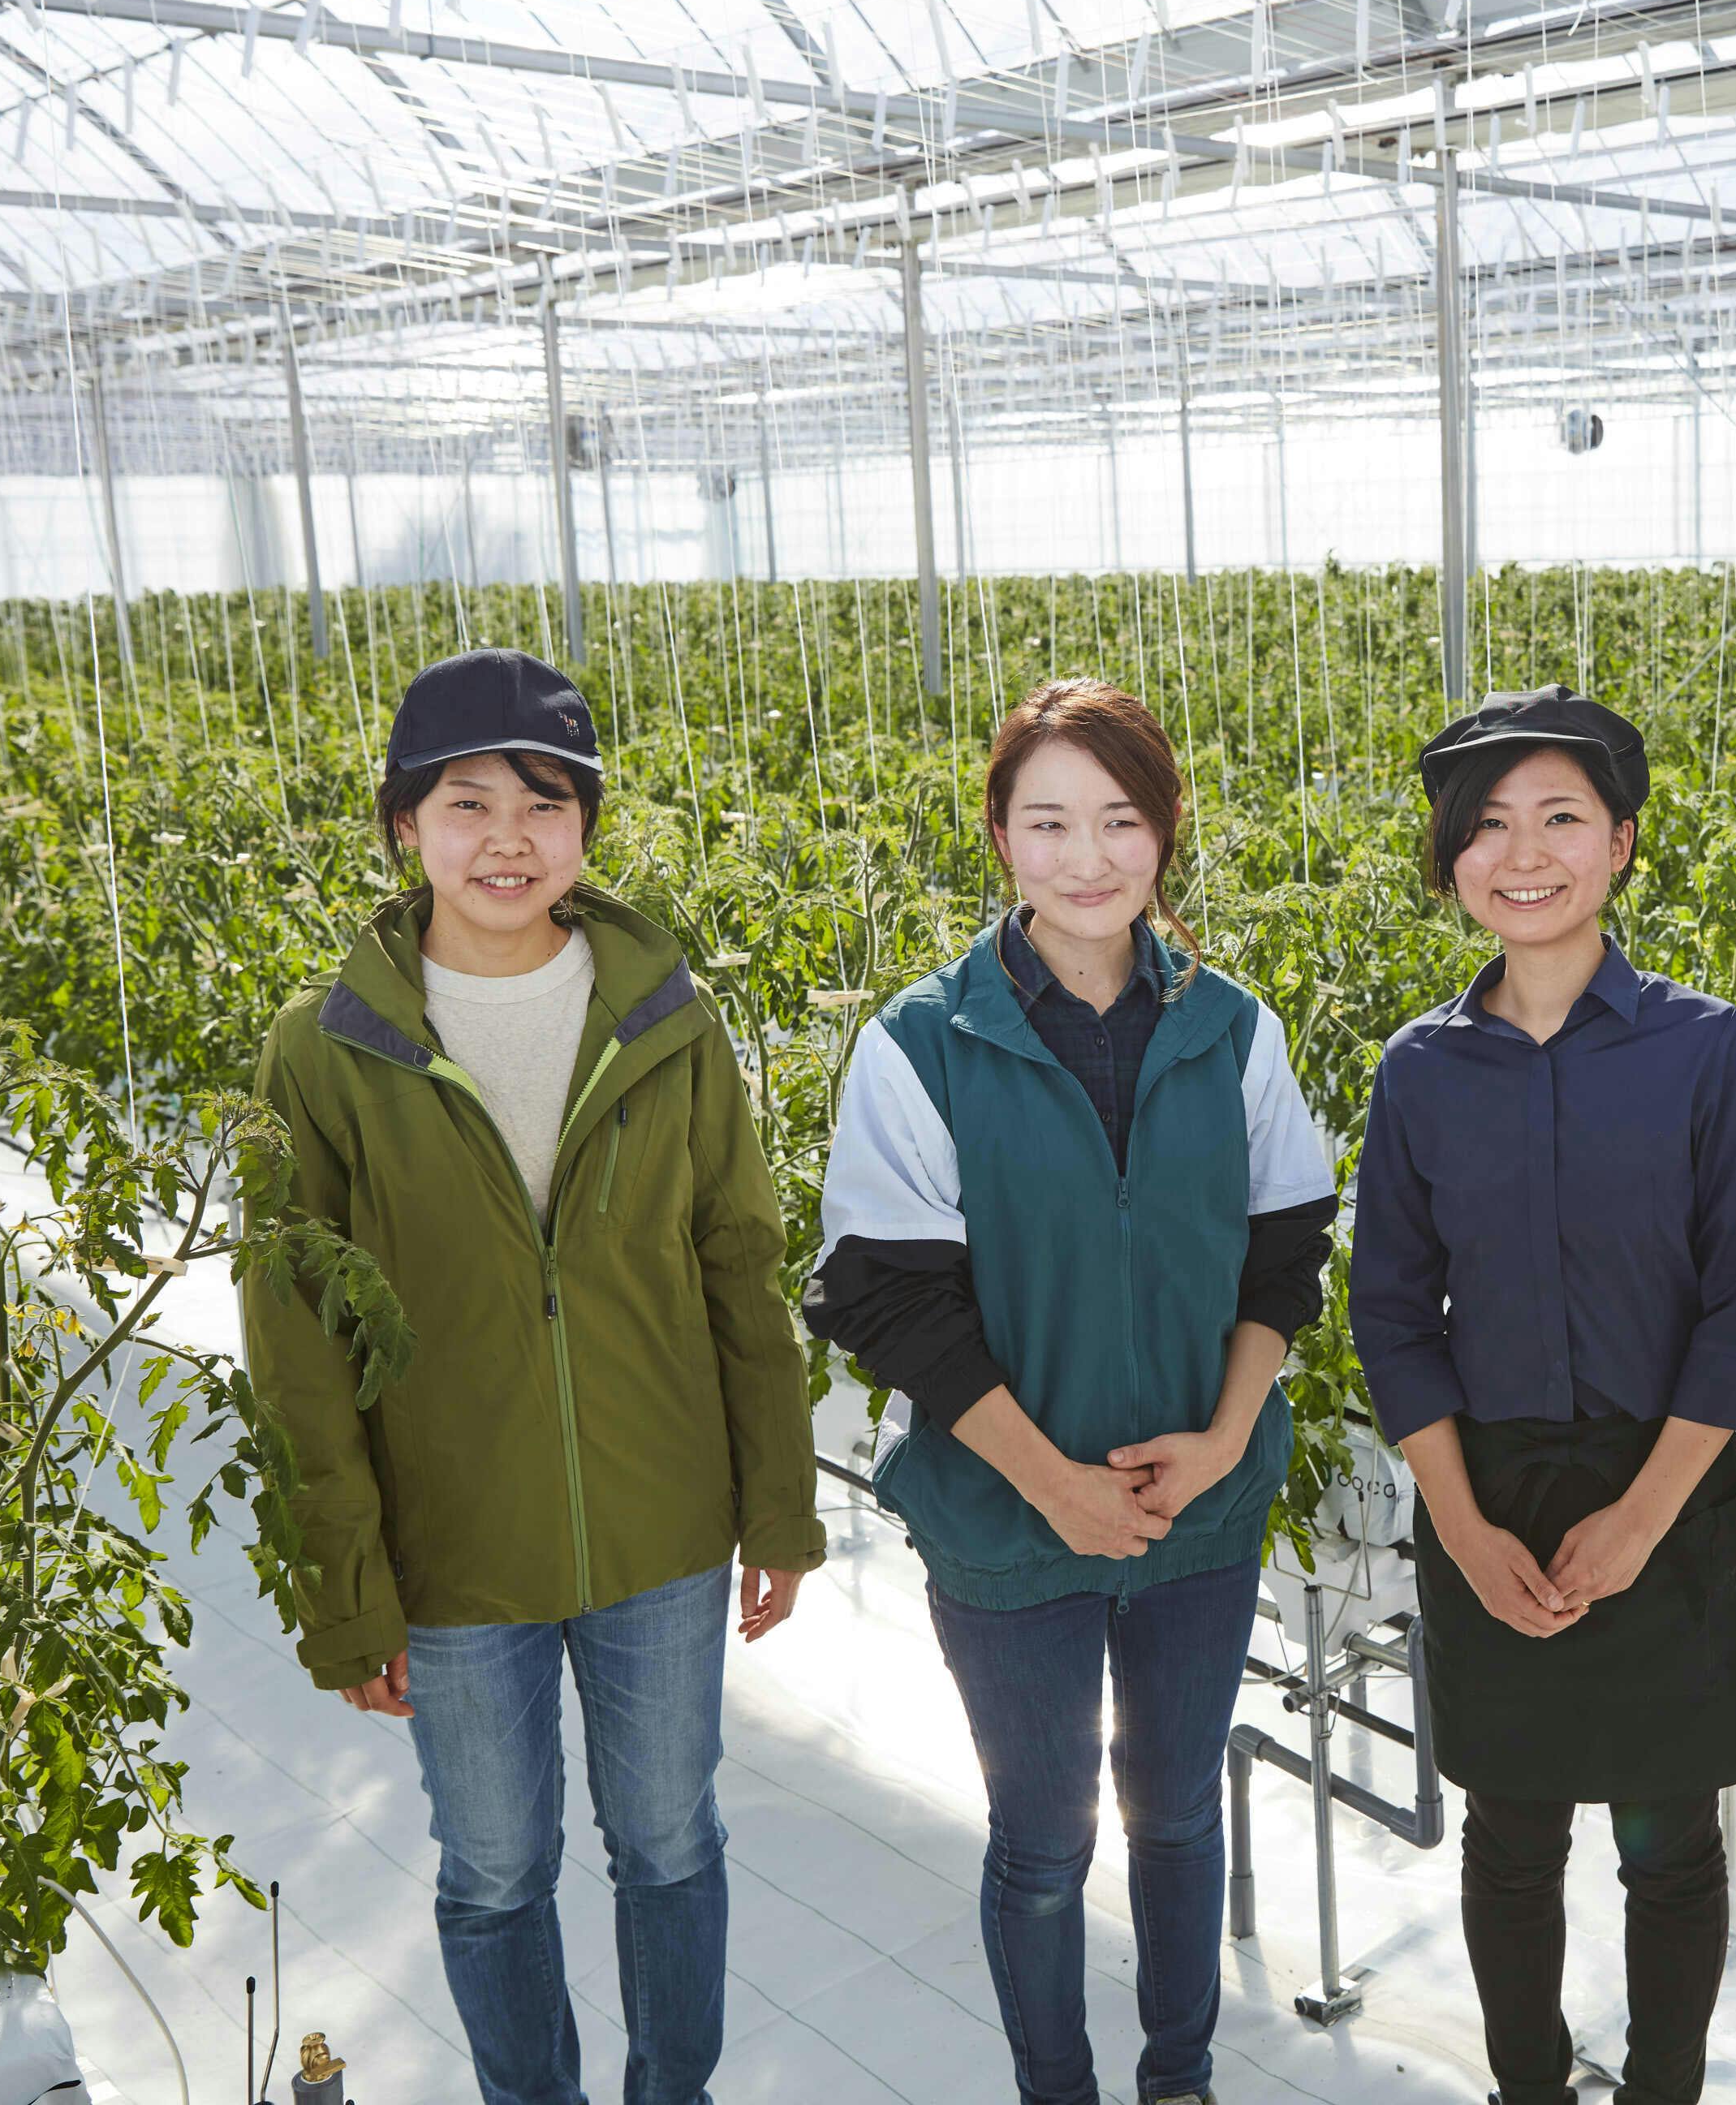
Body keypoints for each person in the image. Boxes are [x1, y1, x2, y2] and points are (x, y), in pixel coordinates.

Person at [243, 647, 824, 2105]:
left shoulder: (669, 1019)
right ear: (405, 826)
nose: (508, 838)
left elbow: (741, 1266)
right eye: (468, 803)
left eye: (545, 803)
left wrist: (780, 1503)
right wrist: (345, 1587)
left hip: (660, 1532)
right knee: (496, 1868)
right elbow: (295, 1343)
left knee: (670, 1845)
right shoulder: (325, 1050)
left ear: (584, 829)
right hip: (452, 1554)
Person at [805, 678, 1338, 2105]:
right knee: (1044, 1841)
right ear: (999, 836)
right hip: (1006, 1523)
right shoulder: (923, 1043)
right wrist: (1052, 1486)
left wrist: (1223, 1438)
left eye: (1118, 819)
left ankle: (1181, 2078)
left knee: (1177, 1816)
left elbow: (1287, 1250)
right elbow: (885, 1295)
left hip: (1197, 1515)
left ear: (1164, 832)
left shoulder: (1235, 1031)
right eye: (1047, 822)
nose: (1085, 857)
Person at [1350, 687, 1736, 2105]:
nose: (1522, 854)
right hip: (1491, 1495)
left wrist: (1642, 1522)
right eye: (1486, 826)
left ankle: (1665, 2089)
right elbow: (1391, 1311)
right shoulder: (1420, 1071)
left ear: (1621, 844)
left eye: (1560, 818)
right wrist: (1461, 1526)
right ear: (1451, 858)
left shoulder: (1704, 1049)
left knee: (1672, 1848)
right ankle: (1527, 2086)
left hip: (1667, 1496)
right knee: (1511, 1840)